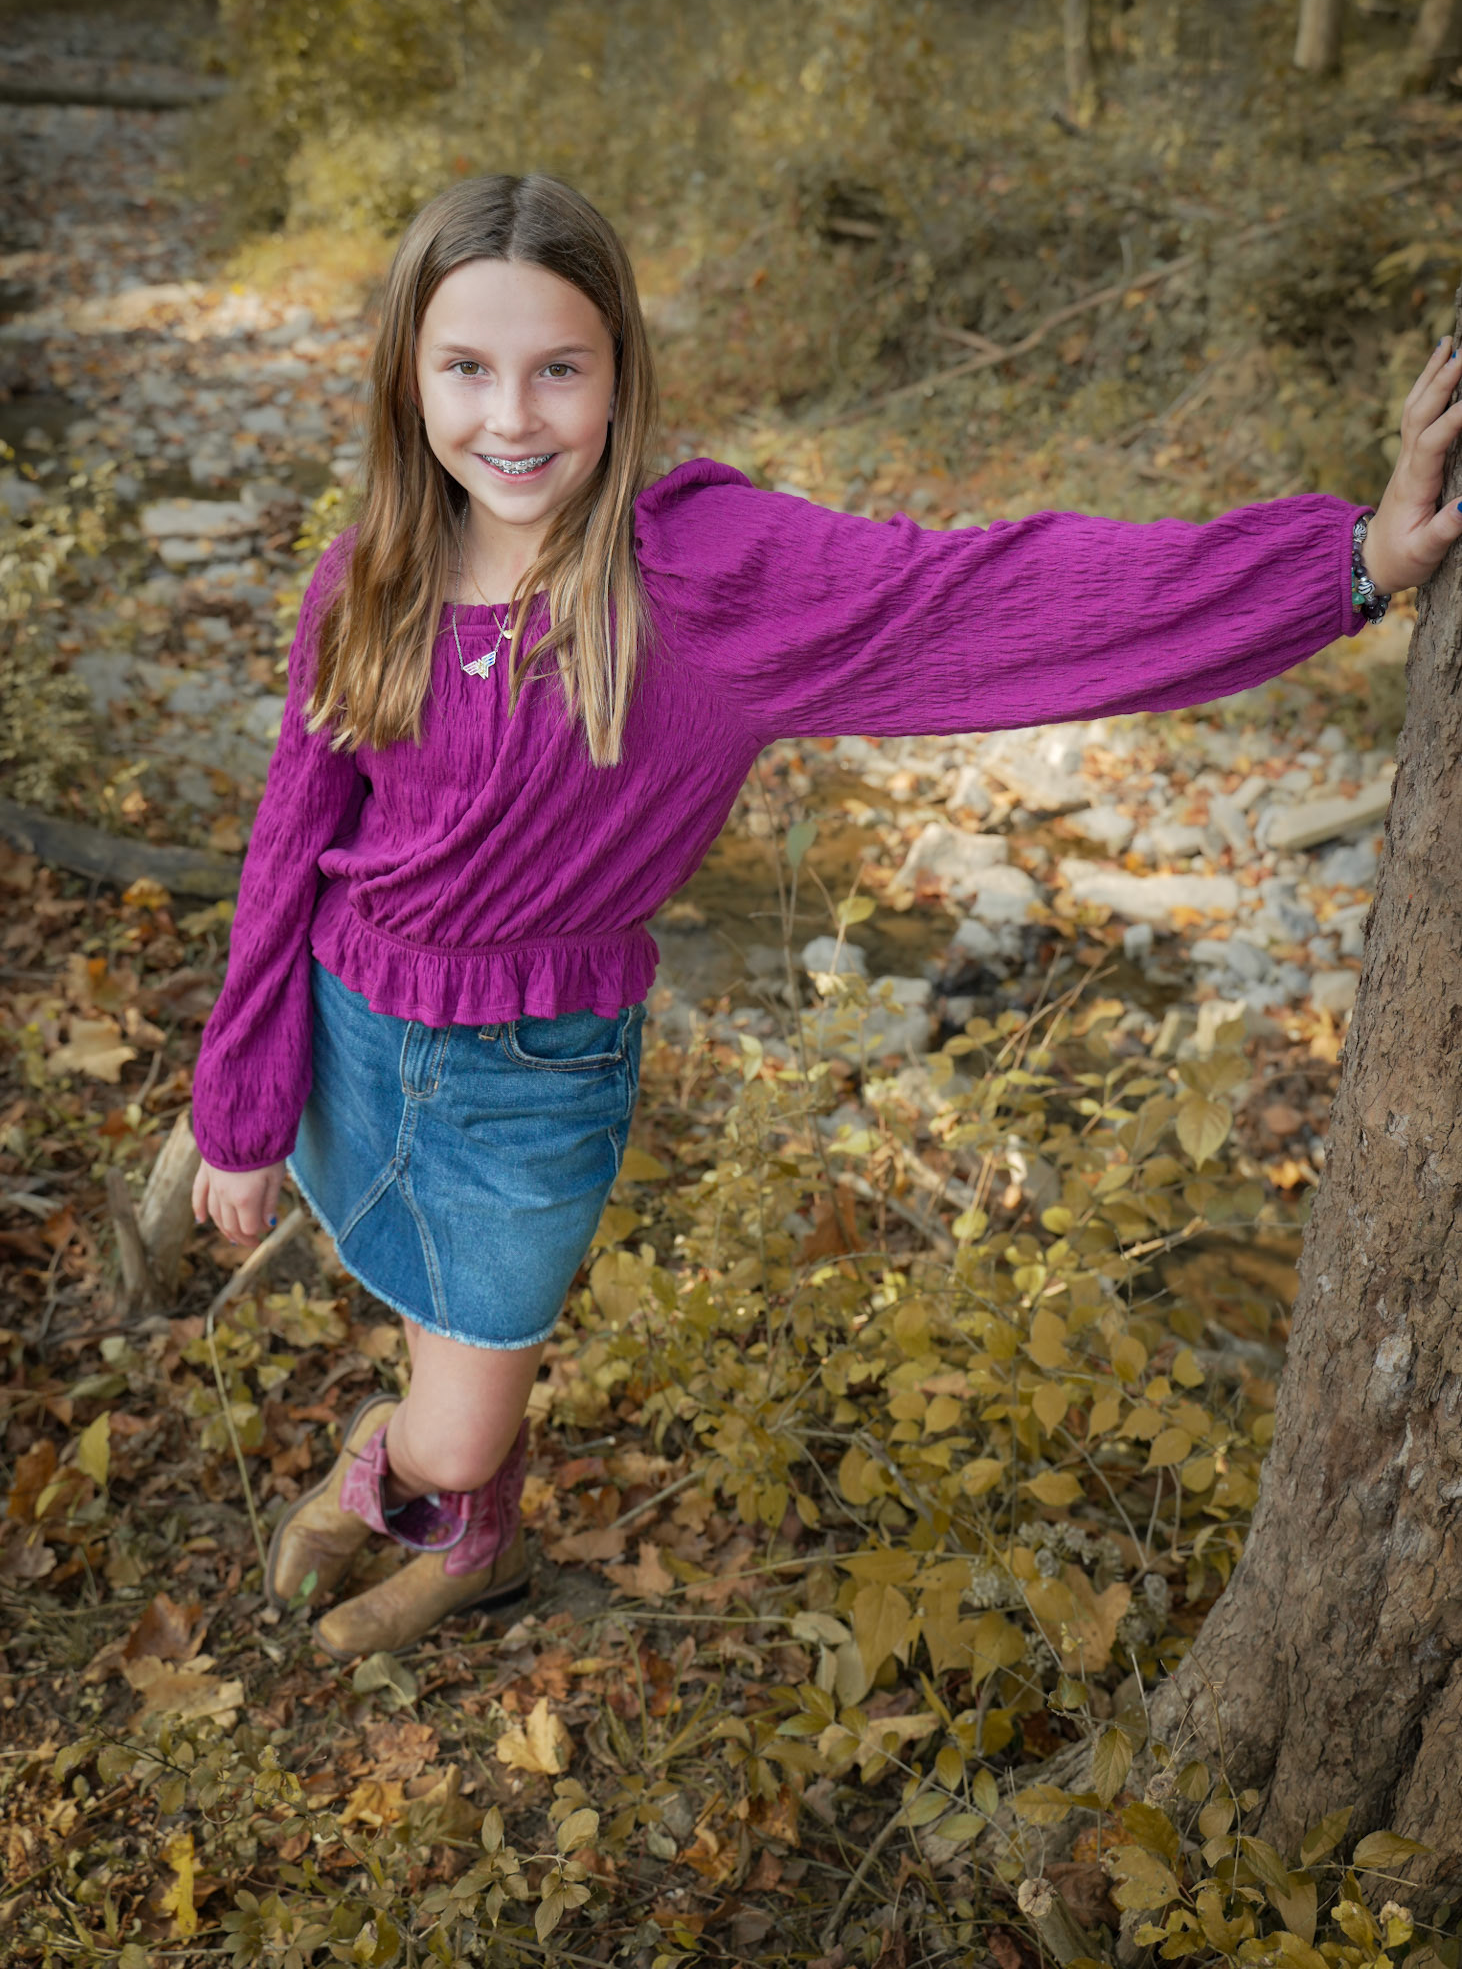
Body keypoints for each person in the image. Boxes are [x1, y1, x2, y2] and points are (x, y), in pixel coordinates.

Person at [190, 172, 1462, 1659]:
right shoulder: (370, 578)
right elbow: (292, 841)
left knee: (459, 1423)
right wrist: (241, 1103)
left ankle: (421, 1484)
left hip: (522, 1086)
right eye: (465, 367)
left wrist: (1347, 564)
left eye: (559, 369)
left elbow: (989, 596)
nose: (512, 418)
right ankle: (463, 1507)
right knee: (423, 1311)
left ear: (620, 375)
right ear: (407, 378)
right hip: (351, 1017)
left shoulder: (701, 584)